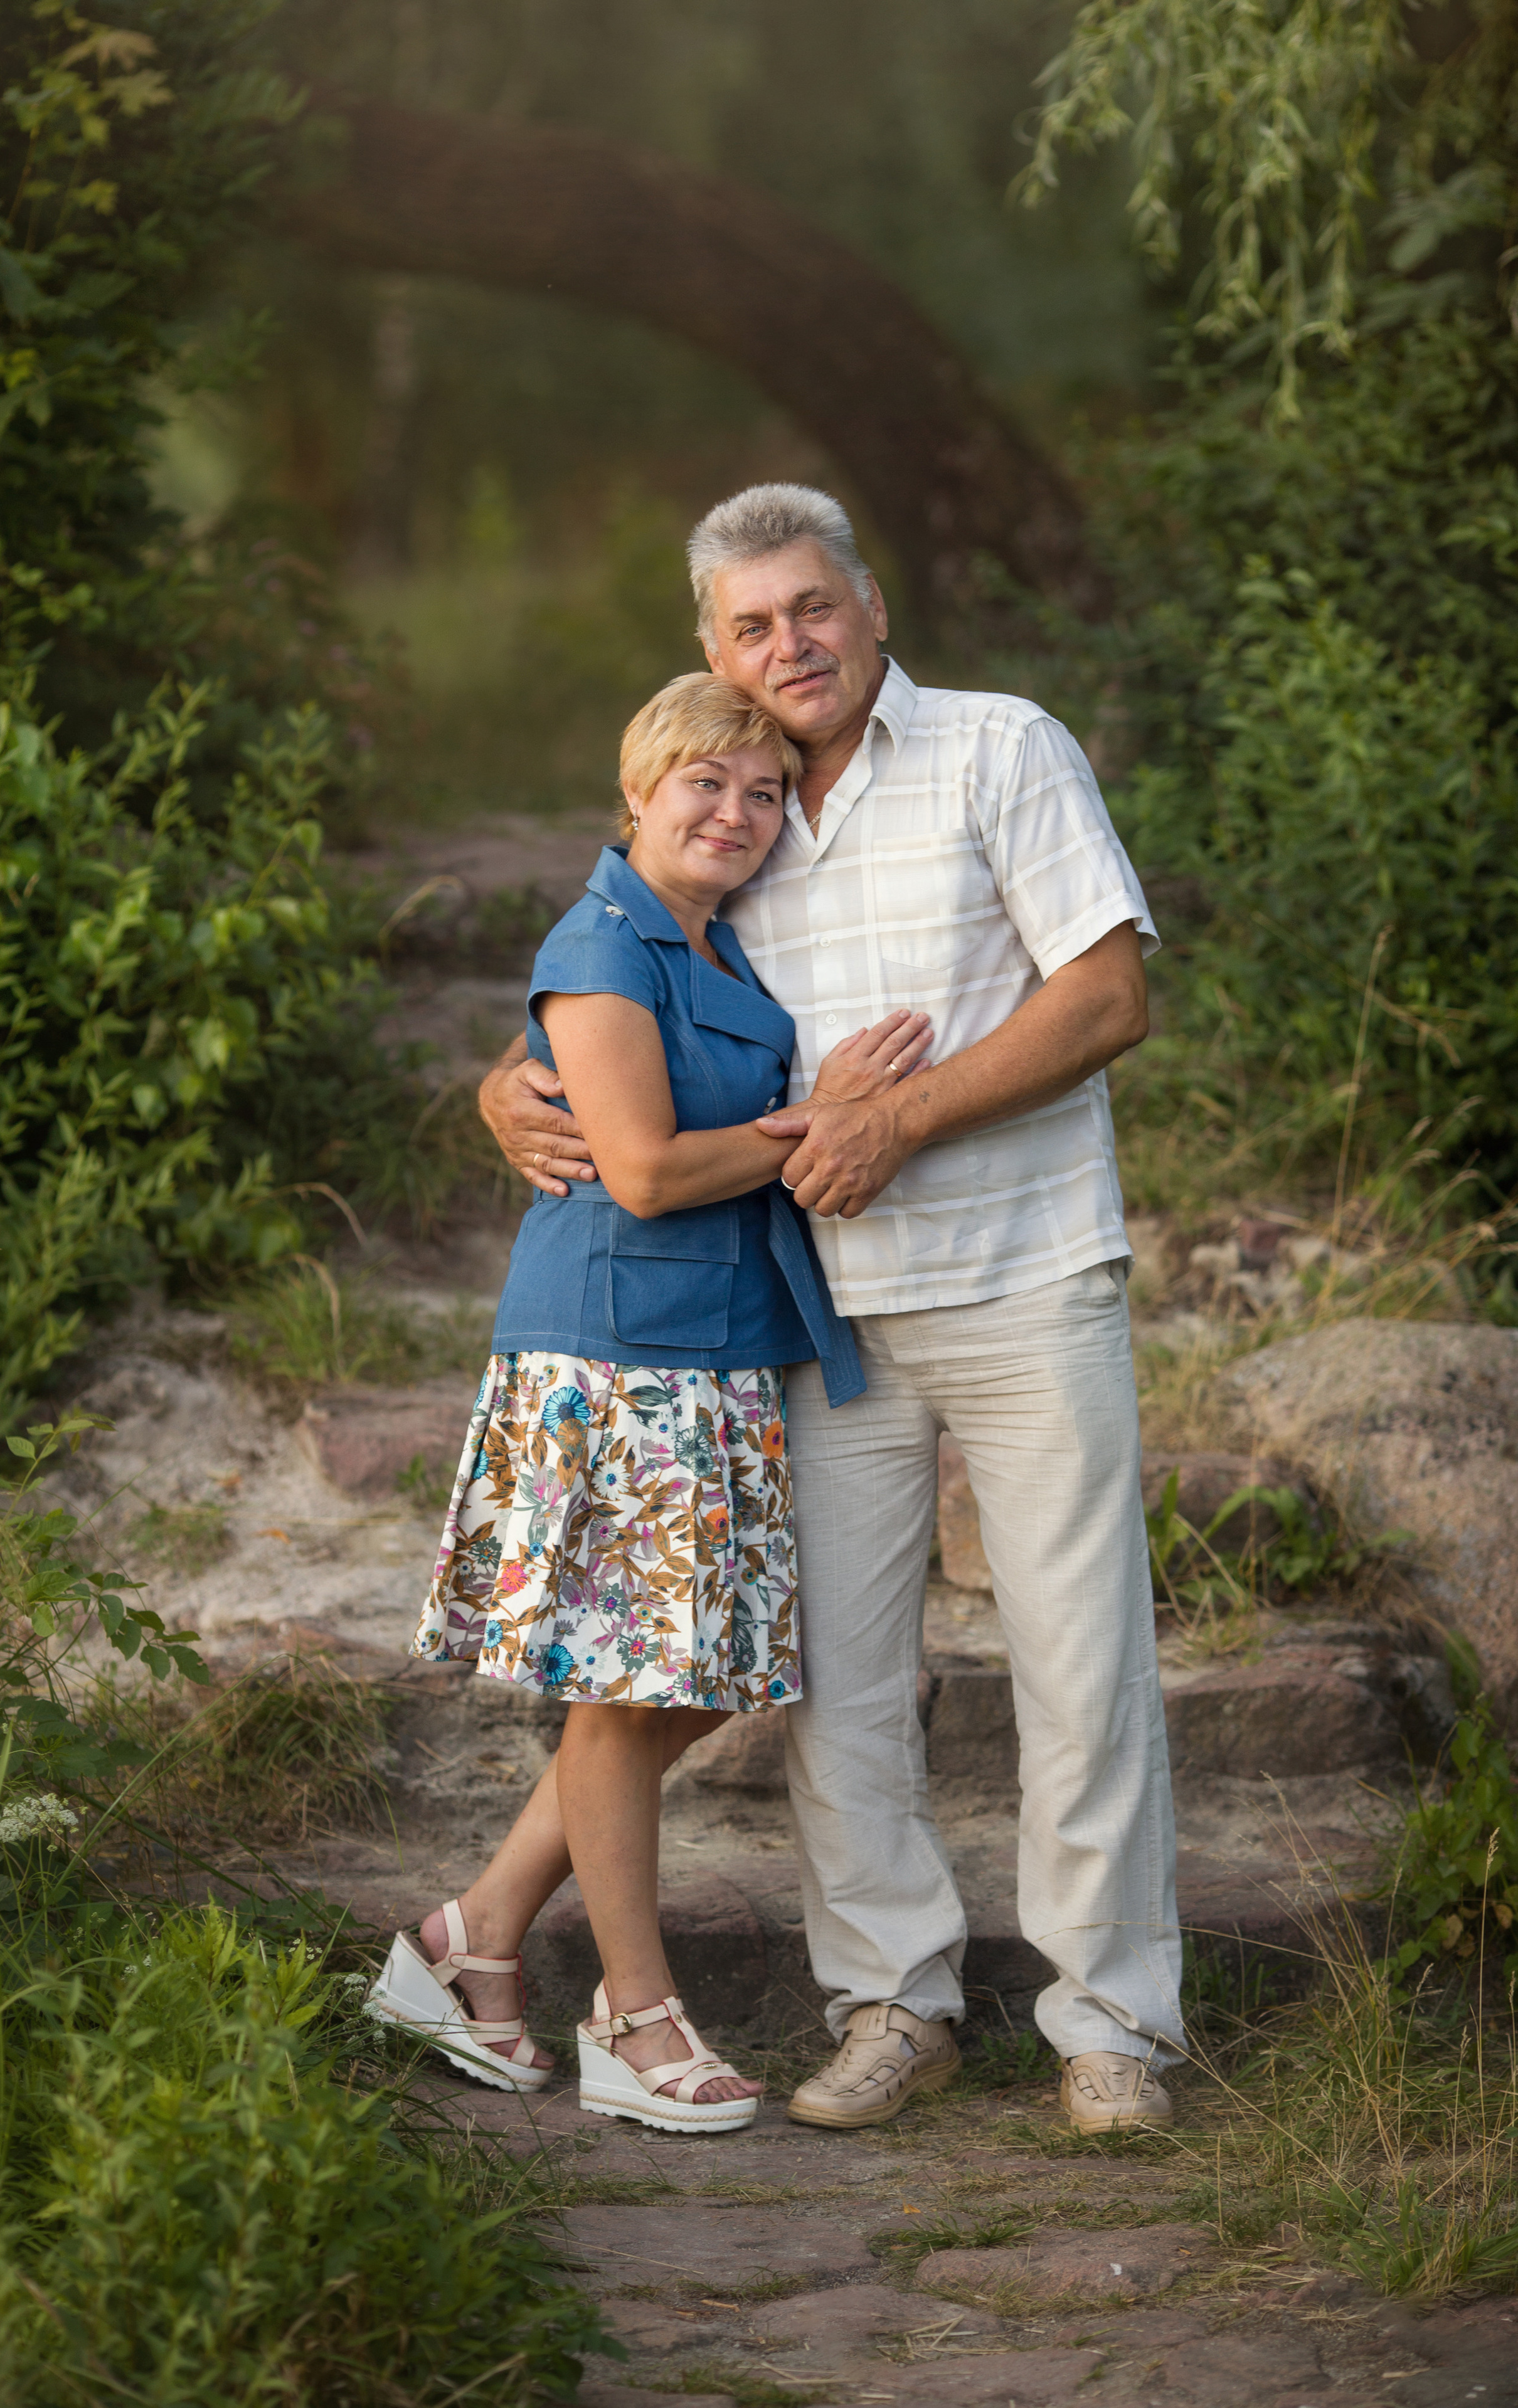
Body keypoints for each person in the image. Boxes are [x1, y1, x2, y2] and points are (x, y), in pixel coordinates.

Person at [479, 483, 1186, 2138]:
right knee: (844, 1689)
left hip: (1023, 1272)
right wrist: (501, 1083)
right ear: (711, 649)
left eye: (811, 607)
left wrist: (898, 1119)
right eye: (750, 625)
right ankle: (891, 2003)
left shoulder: (1000, 748)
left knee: (1081, 1666)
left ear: (871, 608)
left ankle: (1110, 2028)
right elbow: (618, 973)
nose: (787, 644)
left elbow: (1106, 996)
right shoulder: (733, 799)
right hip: (810, 1313)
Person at [367, 670, 933, 2135]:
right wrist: (818, 1120)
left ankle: (474, 1937)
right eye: (704, 784)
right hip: (623, 1357)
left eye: (762, 792)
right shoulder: (602, 942)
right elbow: (643, 1170)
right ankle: (633, 2016)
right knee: (631, 1697)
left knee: (681, 1686)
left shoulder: (717, 942)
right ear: (636, 793)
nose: (735, 813)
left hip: (715, 1348)